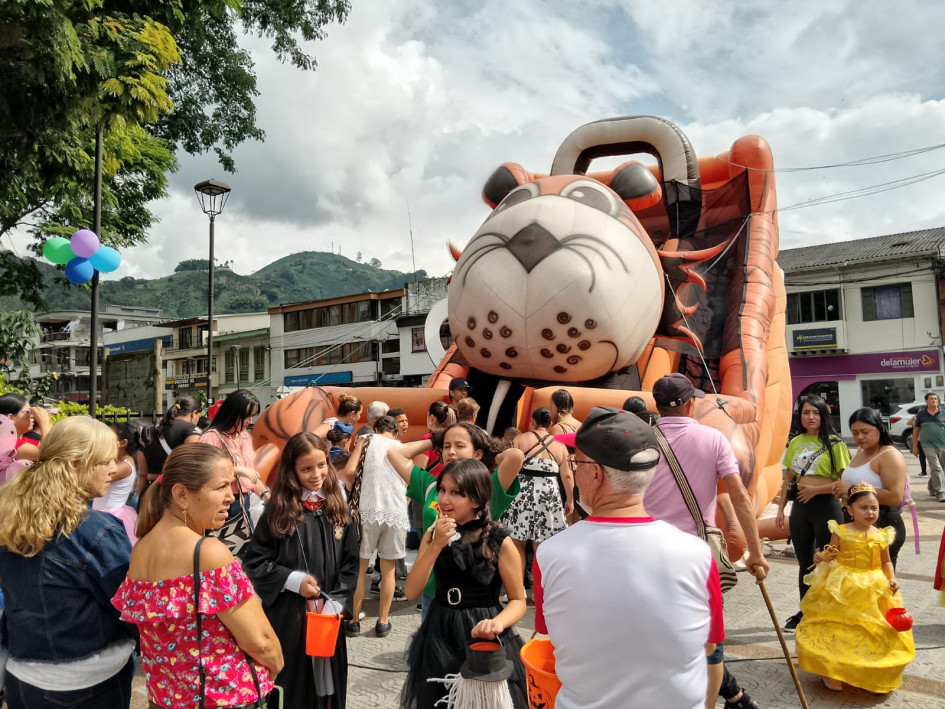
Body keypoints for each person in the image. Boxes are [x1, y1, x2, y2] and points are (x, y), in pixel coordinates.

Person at [536, 406, 725, 709]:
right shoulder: (699, 554)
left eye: (576, 461)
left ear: (595, 473)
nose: (573, 470)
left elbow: (548, 635)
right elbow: (710, 645)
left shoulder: (549, 554)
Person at [113, 443, 283, 708]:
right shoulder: (207, 553)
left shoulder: (141, 549)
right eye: (221, 487)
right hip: (220, 698)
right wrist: (276, 666)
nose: (230, 496)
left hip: (164, 700)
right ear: (182, 494)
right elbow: (261, 642)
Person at [642, 373, 766, 709]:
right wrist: (756, 553)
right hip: (697, 556)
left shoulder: (642, 439)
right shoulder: (713, 438)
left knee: (656, 635)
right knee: (710, 643)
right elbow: (740, 496)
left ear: (658, 405)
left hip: (647, 555)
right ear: (690, 404)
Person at [0, 417, 137, 708]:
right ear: (77, 463)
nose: (113, 469)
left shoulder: (10, 513)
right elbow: (129, 604)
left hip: (21, 675)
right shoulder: (96, 531)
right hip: (87, 683)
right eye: (106, 460)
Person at [244, 433, 359, 709]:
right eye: (306, 469)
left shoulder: (337, 506)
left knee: (328, 690)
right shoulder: (278, 510)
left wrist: (338, 602)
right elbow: (255, 561)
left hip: (328, 618)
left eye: (321, 465)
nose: (316, 474)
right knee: (293, 688)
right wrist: (291, 580)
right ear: (292, 470)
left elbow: (351, 563)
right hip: (290, 618)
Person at [400, 459, 528, 709]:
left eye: (456, 493)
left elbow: (518, 600)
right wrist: (435, 545)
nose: (444, 499)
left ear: (477, 500)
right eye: (442, 489)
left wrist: (498, 623)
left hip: (483, 631)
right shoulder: (435, 533)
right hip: (439, 631)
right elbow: (411, 591)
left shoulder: (498, 540)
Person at [388, 423, 523, 620]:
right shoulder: (431, 485)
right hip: (433, 594)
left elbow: (515, 456)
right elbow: (394, 454)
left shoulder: (488, 487)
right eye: (446, 446)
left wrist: (486, 454)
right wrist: (435, 440)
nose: (451, 451)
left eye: (459, 446)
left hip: (477, 601)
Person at [796, 482, 915, 693]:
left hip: (874, 585)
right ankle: (831, 671)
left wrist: (892, 578)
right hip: (843, 584)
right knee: (839, 628)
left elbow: (886, 561)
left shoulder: (881, 535)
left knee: (875, 629)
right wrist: (821, 556)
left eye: (874, 508)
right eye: (864, 508)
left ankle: (869, 670)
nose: (870, 512)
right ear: (850, 510)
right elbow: (832, 553)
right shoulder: (841, 531)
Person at [775, 395, 850, 631]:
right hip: (800, 508)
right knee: (805, 563)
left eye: (815, 412)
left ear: (823, 415)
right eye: (806, 412)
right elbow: (788, 479)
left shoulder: (836, 444)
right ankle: (806, 610)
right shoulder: (796, 442)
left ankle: (829, 611)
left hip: (827, 506)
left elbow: (844, 482)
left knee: (827, 561)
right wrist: (780, 509)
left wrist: (815, 490)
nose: (810, 417)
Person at [343, 415, 409, 638]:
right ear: (395, 433)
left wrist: (357, 488)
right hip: (396, 512)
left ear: (376, 429)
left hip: (368, 510)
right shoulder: (402, 447)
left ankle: (354, 621)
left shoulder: (366, 439)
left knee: (361, 568)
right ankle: (383, 621)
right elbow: (409, 482)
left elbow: (349, 472)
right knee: (388, 569)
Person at [501, 408, 573, 572]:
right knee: (542, 543)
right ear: (550, 424)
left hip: (522, 494)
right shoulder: (559, 445)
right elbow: (567, 475)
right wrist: (569, 500)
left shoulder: (520, 439)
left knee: (517, 542)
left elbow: (507, 466)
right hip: (549, 495)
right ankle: (539, 581)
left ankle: (518, 582)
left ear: (532, 421)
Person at [833, 408, 907, 567]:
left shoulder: (889, 455)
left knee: (877, 578)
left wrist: (851, 490)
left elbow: (895, 496)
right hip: (855, 524)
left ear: (881, 429)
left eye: (865, 432)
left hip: (880, 524)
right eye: (855, 433)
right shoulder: (861, 451)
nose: (860, 437)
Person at [201, 389, 270, 557]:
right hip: (223, 504)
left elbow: (252, 474)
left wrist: (266, 495)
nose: (250, 421)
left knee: (245, 551)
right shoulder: (211, 437)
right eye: (247, 416)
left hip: (246, 503)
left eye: (252, 416)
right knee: (223, 552)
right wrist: (235, 470)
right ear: (233, 413)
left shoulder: (245, 436)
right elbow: (203, 473)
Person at [137, 396, 201, 497]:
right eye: (199, 417)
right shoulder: (191, 430)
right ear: (194, 413)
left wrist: (141, 499)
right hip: (173, 492)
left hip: (150, 492)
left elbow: (142, 475)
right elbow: (191, 464)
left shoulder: (149, 431)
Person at [93, 420, 141, 544]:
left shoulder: (124, 466)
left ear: (123, 443)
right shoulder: (119, 462)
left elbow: (95, 477)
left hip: (109, 513)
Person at [0, 394, 51, 462]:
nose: (32, 416)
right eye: (27, 412)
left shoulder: (25, 440)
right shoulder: (8, 443)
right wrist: (44, 422)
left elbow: (54, 448)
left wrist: (48, 422)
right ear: (11, 417)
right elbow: (45, 453)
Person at [913, 392, 945, 500]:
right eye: (931, 399)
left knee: (941, 469)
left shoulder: (943, 413)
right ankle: (940, 493)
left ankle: (931, 487)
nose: (934, 400)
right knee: (937, 468)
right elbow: (916, 431)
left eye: (935, 399)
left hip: (942, 444)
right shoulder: (921, 414)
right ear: (926, 401)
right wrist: (915, 447)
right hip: (927, 445)